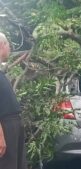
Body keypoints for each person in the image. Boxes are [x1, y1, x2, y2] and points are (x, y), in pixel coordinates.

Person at [0, 32, 27, 169]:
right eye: (8, 44)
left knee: (17, 164)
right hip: (5, 125)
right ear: (1, 45)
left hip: (13, 124)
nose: (9, 47)